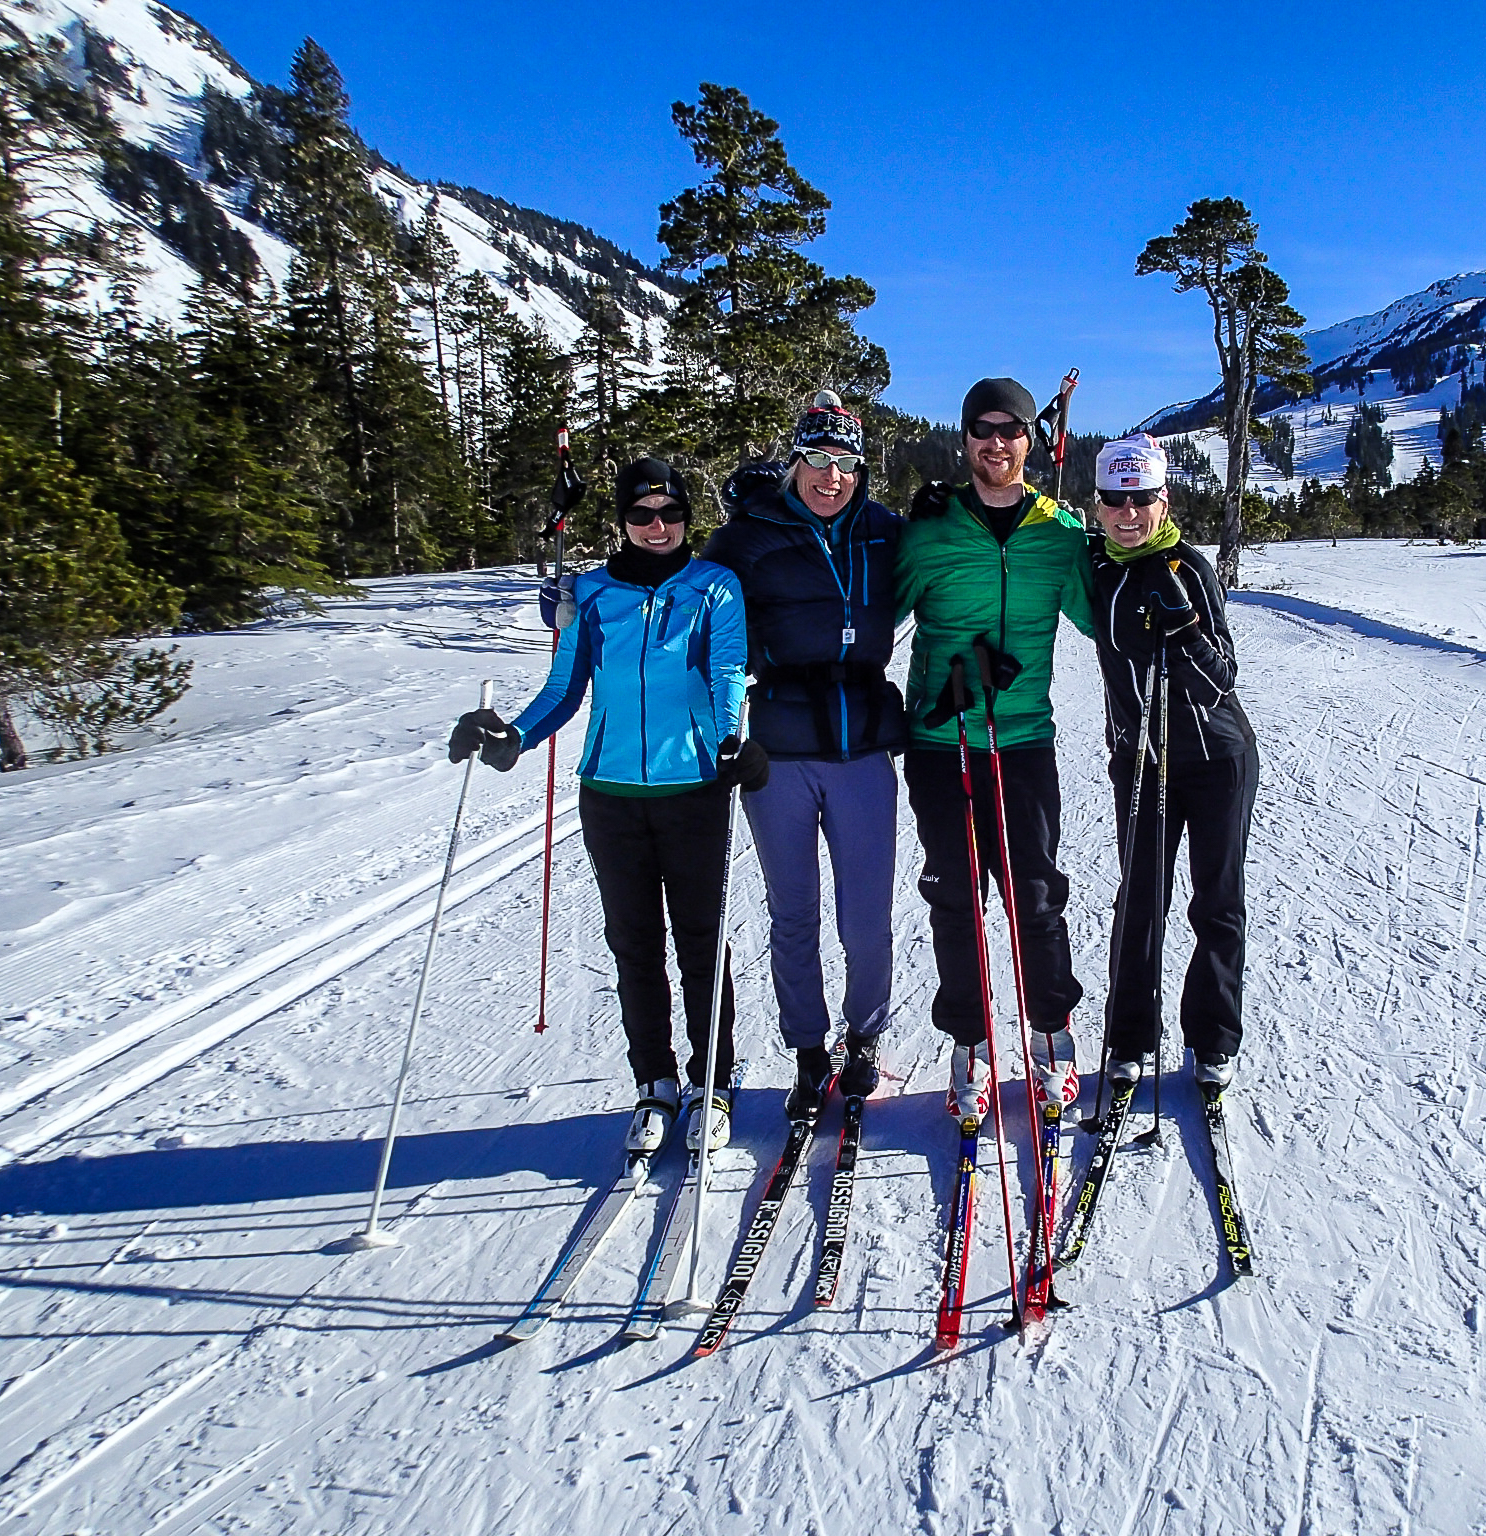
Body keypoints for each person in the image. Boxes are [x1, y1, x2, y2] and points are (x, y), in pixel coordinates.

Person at [448, 458, 766, 1153]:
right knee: (633, 944)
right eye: (643, 515)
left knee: (701, 943)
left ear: (688, 518)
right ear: (622, 520)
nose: (658, 527)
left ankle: (712, 1082)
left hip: (693, 790)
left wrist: (733, 742)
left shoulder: (714, 586)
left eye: (672, 514)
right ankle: (653, 1082)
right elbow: (564, 688)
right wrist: (516, 734)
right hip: (611, 794)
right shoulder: (590, 594)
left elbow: (726, 671)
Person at [701, 394, 905, 1119]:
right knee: (793, 912)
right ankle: (808, 1051)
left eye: (845, 462)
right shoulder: (746, 535)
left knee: (866, 913)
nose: (831, 476)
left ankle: (865, 1039)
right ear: (794, 461)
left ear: (861, 468)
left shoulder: (886, 532)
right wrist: (579, 604)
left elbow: (952, 564)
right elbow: (678, 599)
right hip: (779, 751)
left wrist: (948, 506)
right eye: (817, 459)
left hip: (861, 748)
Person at [896, 377, 1095, 1119]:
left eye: (1010, 429)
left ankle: (1052, 1039)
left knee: (1035, 896)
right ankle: (971, 1045)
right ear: (966, 439)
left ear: (1030, 440)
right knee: (954, 897)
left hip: (1020, 744)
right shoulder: (930, 530)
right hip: (940, 743)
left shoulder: (1059, 536)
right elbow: (862, 607)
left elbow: (1106, 617)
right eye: (983, 429)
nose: (997, 442)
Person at [1085, 433, 1257, 1089]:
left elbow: (1223, 680)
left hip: (1216, 759)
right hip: (1141, 761)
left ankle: (1212, 1041)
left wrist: (1184, 633)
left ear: (1164, 499)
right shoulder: (1096, 568)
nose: (1128, 515)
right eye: (1114, 501)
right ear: (1098, 505)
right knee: (1141, 903)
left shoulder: (1189, 568)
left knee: (1216, 904)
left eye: (1142, 500)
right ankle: (1128, 1039)